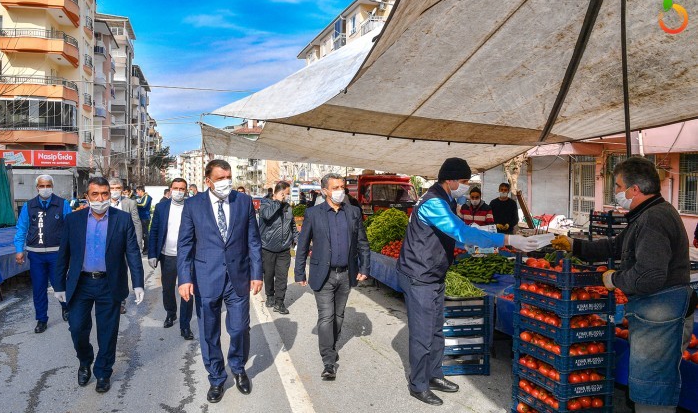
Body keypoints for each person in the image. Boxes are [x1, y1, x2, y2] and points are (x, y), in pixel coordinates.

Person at [552, 157, 695, 413]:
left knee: (652, 384)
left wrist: (614, 279)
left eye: (618, 187)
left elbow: (649, 276)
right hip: (656, 310)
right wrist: (576, 246)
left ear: (634, 190)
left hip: (661, 311)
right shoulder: (648, 214)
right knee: (650, 379)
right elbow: (617, 246)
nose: (616, 193)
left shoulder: (654, 219)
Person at [396, 157, 541, 406]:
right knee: (422, 333)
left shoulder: (446, 199)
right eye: (463, 182)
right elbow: (461, 232)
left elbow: (458, 235)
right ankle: (418, 384)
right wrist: (508, 240)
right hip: (419, 275)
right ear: (450, 180)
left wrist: (478, 242)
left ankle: (434, 375)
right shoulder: (433, 203)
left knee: (436, 328)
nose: (466, 187)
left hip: (433, 273)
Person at [177, 159, 262, 403]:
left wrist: (257, 274)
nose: (226, 182)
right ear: (208, 181)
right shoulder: (193, 205)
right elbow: (185, 244)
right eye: (221, 178)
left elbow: (253, 241)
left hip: (238, 276)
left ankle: (238, 368)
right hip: (205, 277)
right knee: (209, 332)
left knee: (239, 328)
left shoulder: (243, 201)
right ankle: (216, 377)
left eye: (228, 177)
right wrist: (184, 278)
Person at [52, 177, 144, 393]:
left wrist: (138, 283)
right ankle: (85, 361)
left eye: (105, 194)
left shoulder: (121, 219)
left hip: (109, 284)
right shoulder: (73, 220)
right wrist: (58, 286)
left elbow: (132, 252)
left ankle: (103, 372)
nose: (101, 198)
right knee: (77, 328)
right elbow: (63, 255)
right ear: (87, 196)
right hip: (80, 284)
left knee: (108, 331)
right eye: (95, 194)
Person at [294, 173, 370, 381]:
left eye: (342, 187)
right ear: (324, 191)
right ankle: (328, 361)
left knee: (338, 316)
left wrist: (365, 267)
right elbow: (302, 245)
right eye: (335, 187)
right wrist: (299, 272)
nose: (340, 191)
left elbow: (362, 242)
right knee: (326, 316)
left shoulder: (353, 212)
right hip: (323, 274)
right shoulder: (314, 214)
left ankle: (331, 345)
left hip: (346, 274)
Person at [14, 174, 72, 333]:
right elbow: (21, 229)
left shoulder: (62, 204)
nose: (45, 188)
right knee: (39, 288)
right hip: (36, 255)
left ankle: (66, 307)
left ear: (52, 187)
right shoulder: (29, 206)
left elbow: (71, 228)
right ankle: (41, 319)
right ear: (37, 188)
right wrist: (19, 250)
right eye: (42, 186)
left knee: (59, 284)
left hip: (57, 254)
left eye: (48, 185)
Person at [148, 178, 194, 340]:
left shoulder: (192, 206)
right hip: (167, 255)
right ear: (170, 189)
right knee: (167, 288)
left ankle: (185, 325)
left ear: (186, 191)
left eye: (182, 189)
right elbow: (154, 231)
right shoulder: (162, 207)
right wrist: (152, 254)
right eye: (176, 188)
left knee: (187, 291)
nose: (179, 191)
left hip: (187, 257)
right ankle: (171, 313)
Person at [259, 181, 298, 314]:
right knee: (269, 274)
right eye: (285, 194)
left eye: (287, 194)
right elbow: (267, 216)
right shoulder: (265, 204)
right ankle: (270, 295)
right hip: (268, 248)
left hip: (284, 249)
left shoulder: (288, 207)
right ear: (278, 192)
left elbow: (292, 225)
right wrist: (277, 202)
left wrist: (296, 239)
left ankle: (279, 302)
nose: (286, 197)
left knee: (282, 276)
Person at [109, 178, 143, 315]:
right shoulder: (102, 203)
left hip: (125, 244)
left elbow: (136, 223)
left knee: (122, 273)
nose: (115, 191)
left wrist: (138, 244)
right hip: (108, 245)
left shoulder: (130, 203)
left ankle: (121, 301)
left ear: (122, 189)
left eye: (117, 188)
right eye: (112, 188)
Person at [135, 185, 152, 255]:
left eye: (137, 192)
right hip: (141, 217)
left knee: (145, 234)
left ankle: (147, 249)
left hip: (145, 217)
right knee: (141, 234)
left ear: (141, 191)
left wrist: (134, 203)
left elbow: (143, 204)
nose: (137, 194)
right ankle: (144, 248)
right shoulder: (141, 197)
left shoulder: (147, 197)